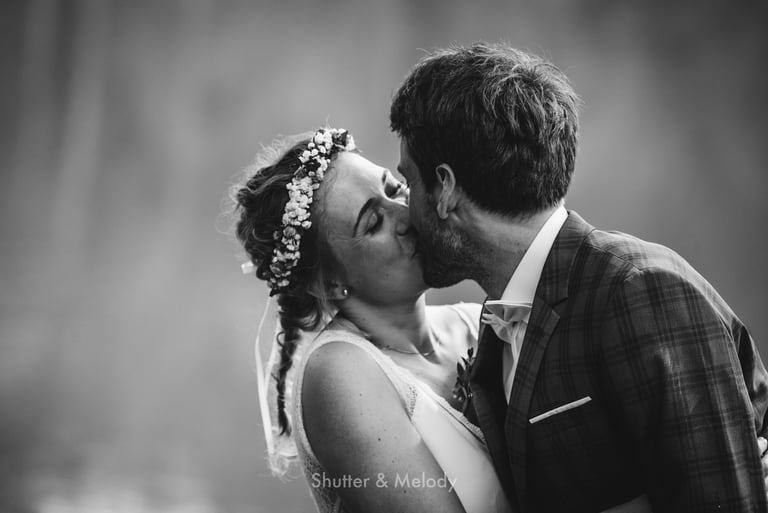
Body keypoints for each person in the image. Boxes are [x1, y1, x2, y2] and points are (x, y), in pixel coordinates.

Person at [389, 42, 768, 512]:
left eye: (407, 183)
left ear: (444, 189)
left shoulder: (639, 289)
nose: (403, 212)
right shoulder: (499, 324)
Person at [233, 128, 512, 513]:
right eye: (373, 223)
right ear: (330, 284)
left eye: (395, 189)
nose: (405, 215)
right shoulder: (338, 371)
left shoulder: (476, 320)